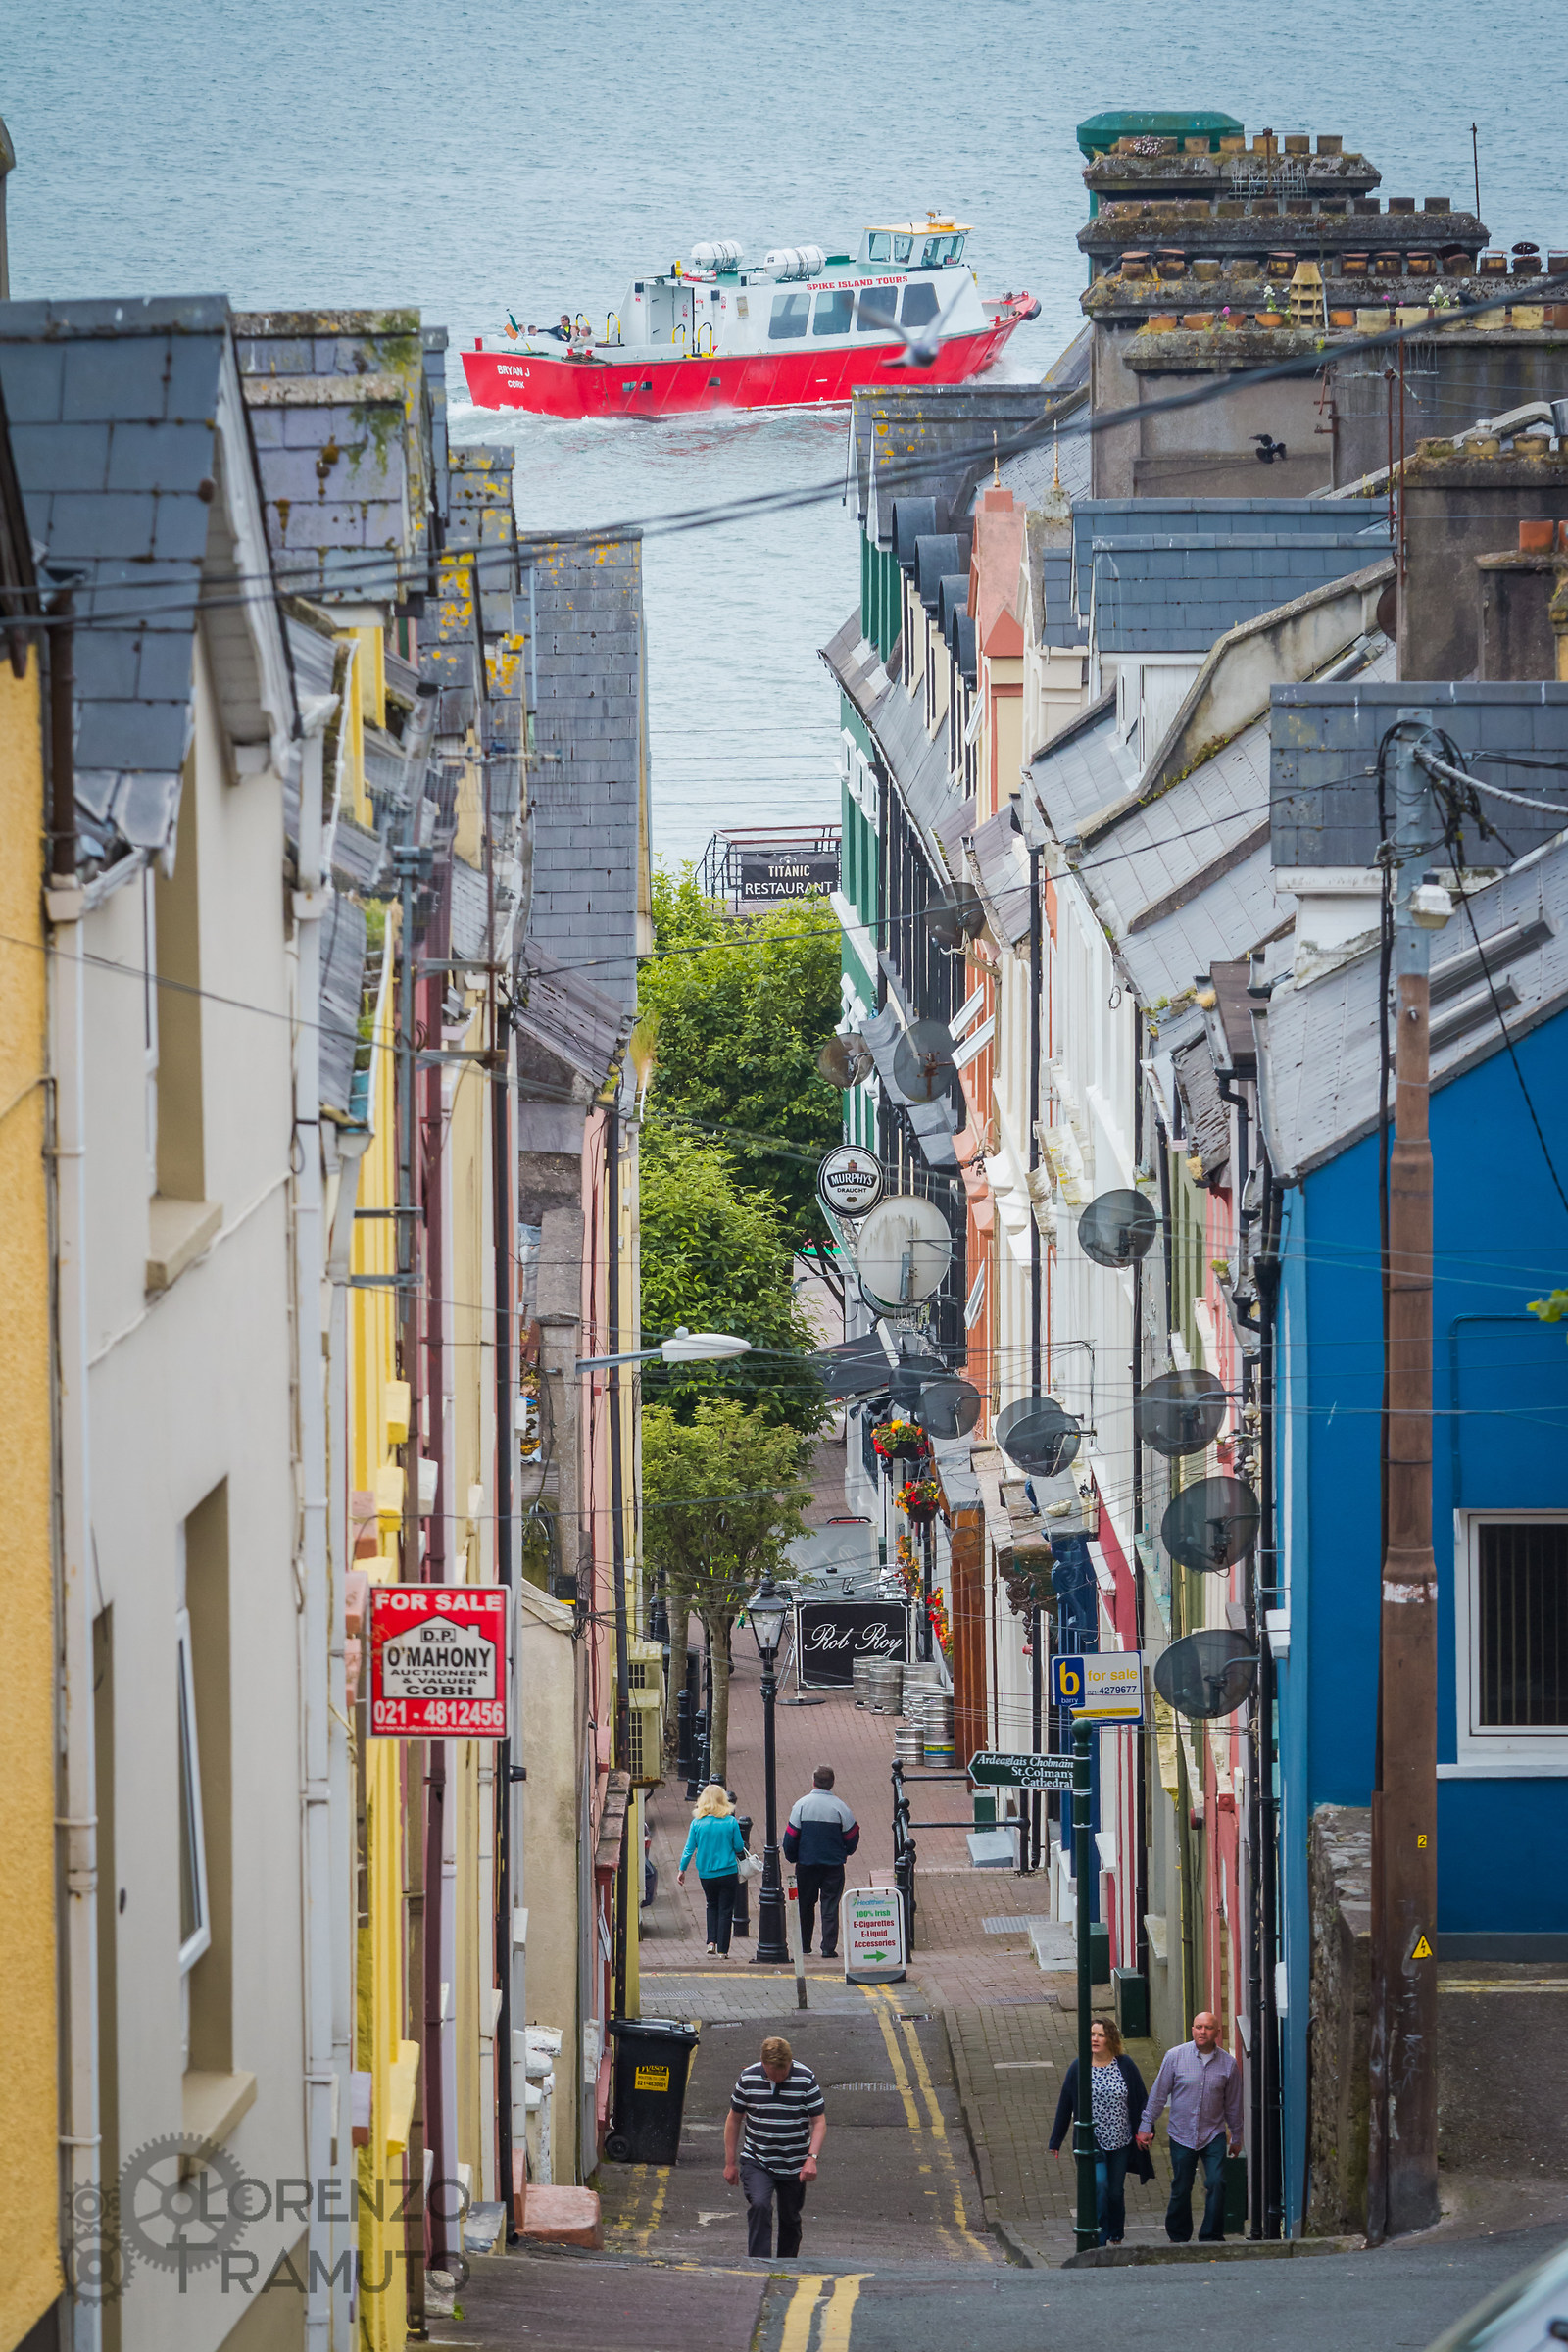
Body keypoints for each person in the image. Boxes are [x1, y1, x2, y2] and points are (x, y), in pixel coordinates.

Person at [1137, 2010, 1244, 2243]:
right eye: (1198, 2027)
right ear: (1192, 2029)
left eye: (1207, 2027)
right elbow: (1158, 2094)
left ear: (1217, 2031)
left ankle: (1211, 2235)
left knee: (1217, 2182)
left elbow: (1233, 2104)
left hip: (1212, 2133)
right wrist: (1146, 2126)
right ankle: (1178, 2236)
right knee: (1182, 2186)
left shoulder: (1228, 2064)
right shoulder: (1175, 2057)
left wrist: (1236, 2136)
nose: (1202, 2031)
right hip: (1181, 2133)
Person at [1047, 2017, 1153, 2246]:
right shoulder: (1079, 2067)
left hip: (1121, 2140)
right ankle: (1099, 2238)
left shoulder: (1125, 2065)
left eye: (1100, 2035)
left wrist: (1146, 2129)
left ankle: (1115, 2233)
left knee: (1115, 2192)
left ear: (1111, 2039)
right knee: (1101, 2185)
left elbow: (1141, 2099)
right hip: (1091, 2141)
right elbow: (1065, 2103)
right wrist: (1056, 2140)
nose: (1094, 2039)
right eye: (1092, 2034)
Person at [724, 2034, 826, 2259]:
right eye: (773, 2073)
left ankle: (786, 2265)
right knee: (760, 2205)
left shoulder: (805, 2079)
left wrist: (812, 2158)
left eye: (784, 2071)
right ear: (763, 2064)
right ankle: (760, 2265)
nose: (779, 2077)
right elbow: (734, 2119)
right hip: (757, 2160)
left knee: (790, 2217)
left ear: (790, 2062)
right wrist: (730, 2163)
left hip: (794, 2163)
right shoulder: (748, 2078)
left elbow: (819, 2121)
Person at [782, 1765, 859, 1959]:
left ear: (814, 1782)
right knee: (830, 1906)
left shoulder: (801, 1805)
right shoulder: (841, 1807)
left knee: (805, 1905)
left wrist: (793, 1857)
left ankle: (804, 1945)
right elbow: (852, 1836)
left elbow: (790, 1838)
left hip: (806, 1865)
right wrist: (845, 1852)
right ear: (832, 1783)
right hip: (833, 1865)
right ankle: (828, 1947)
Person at [678, 1782, 748, 1956]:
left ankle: (711, 1942)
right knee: (725, 1909)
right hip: (728, 1871)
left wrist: (682, 1869)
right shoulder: (731, 1822)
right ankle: (723, 1950)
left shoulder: (697, 1823)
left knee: (711, 1905)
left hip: (706, 1873)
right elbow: (739, 1846)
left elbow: (688, 1849)